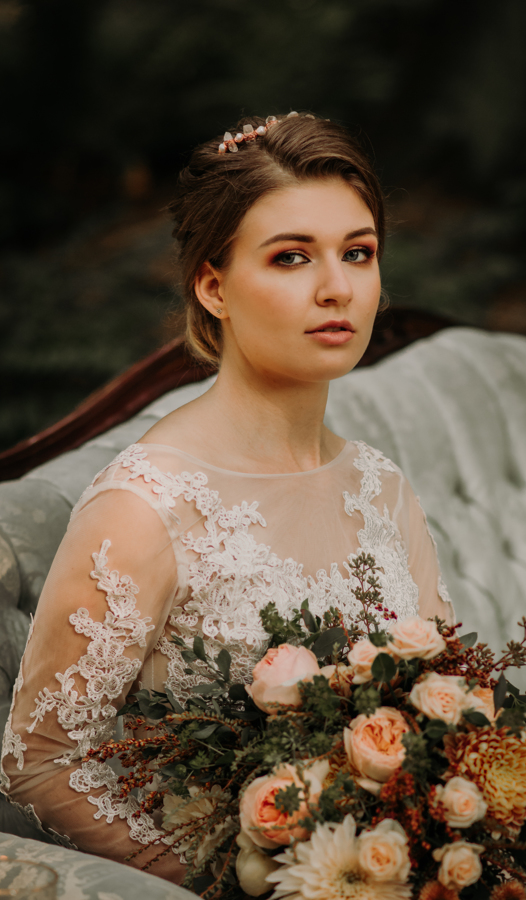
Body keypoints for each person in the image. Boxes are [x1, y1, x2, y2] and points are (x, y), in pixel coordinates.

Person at [0, 112, 454, 882]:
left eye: (358, 252)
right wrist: (242, 881)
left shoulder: (380, 485)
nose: (337, 287)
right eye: (290, 258)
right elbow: (40, 761)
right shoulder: (146, 505)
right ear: (214, 286)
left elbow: (444, 697)